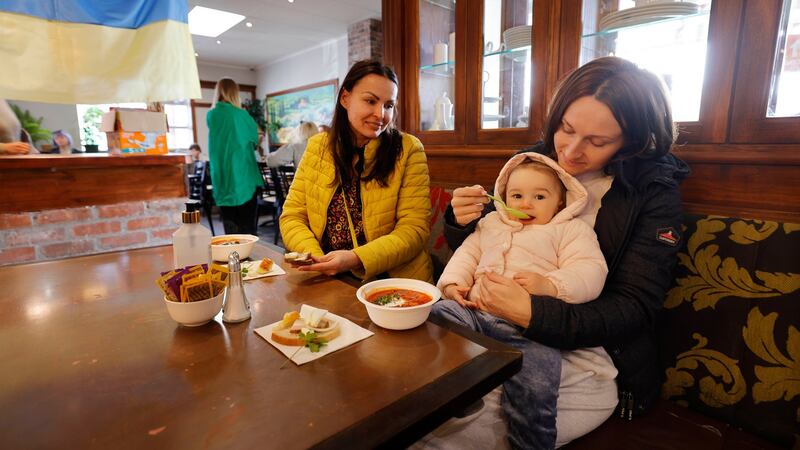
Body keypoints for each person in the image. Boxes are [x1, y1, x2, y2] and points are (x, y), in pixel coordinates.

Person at [423, 56, 690, 449]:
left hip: (580, 355)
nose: (571, 150)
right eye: (566, 129)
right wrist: (460, 223)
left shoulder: (652, 192)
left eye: (597, 142)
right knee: (410, 396)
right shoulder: (534, 162)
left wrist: (533, 309)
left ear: (631, 142)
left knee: (436, 436)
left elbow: (634, 306)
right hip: (485, 326)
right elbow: (498, 245)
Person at [434, 152, 609, 449]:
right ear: (503, 197)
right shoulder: (490, 223)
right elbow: (467, 254)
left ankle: (531, 441)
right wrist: (453, 285)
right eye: (516, 195)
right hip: (475, 312)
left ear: (560, 202)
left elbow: (591, 270)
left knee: (538, 385)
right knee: (437, 315)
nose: (525, 204)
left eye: (539, 197)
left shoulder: (570, 230)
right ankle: (461, 396)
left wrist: (551, 285)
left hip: (530, 328)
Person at [279, 59, 432, 282]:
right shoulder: (318, 147)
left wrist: (356, 258)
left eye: (388, 105)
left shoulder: (408, 149)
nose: (381, 114)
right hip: (328, 278)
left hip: (392, 280)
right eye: (370, 101)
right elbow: (292, 216)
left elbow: (414, 230)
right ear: (345, 98)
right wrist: (318, 260)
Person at [206, 78, 263, 235]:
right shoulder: (242, 116)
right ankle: (249, 258)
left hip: (223, 178)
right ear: (234, 93)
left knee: (230, 227)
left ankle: (231, 257)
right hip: (244, 177)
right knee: (247, 229)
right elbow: (254, 141)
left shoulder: (211, 115)